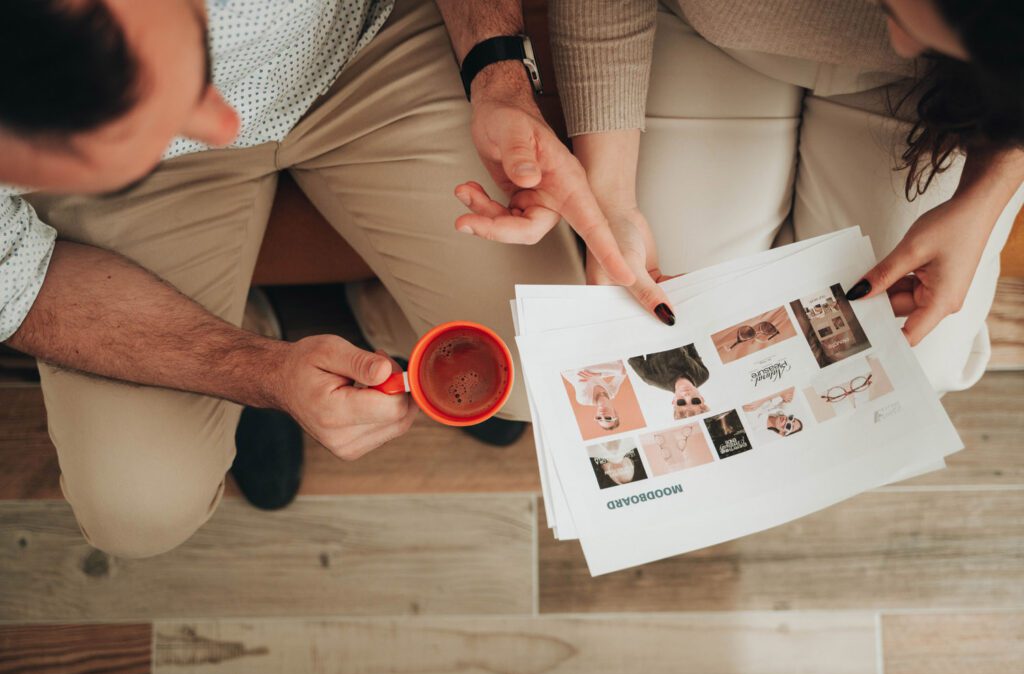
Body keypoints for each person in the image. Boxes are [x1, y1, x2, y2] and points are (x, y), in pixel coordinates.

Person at [0, 0, 614, 559]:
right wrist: (256, 371)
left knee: (551, 372)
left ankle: (378, 317)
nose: (223, 126)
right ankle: (252, 328)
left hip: (362, 49)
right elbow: (20, 282)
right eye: (143, 107)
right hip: (151, 186)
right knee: (137, 511)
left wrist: (497, 75)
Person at [454, 0, 1024, 395]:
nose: (897, 37)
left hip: (945, 94)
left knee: (919, 365)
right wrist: (612, 198)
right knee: (668, 316)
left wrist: (984, 197)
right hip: (710, 34)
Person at [628, 344, 710, 419]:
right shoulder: (703, 375)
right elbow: (690, 346)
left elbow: (632, 351)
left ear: (674, 401)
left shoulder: (651, 378)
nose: (687, 396)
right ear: (701, 399)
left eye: (681, 402)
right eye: (695, 401)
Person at [560, 361, 628, 430]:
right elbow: (623, 372)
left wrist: (617, 369)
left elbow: (582, 370)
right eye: (608, 418)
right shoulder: (612, 393)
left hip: (567, 364)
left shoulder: (584, 399)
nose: (602, 415)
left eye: (599, 418)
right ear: (615, 414)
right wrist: (599, 374)